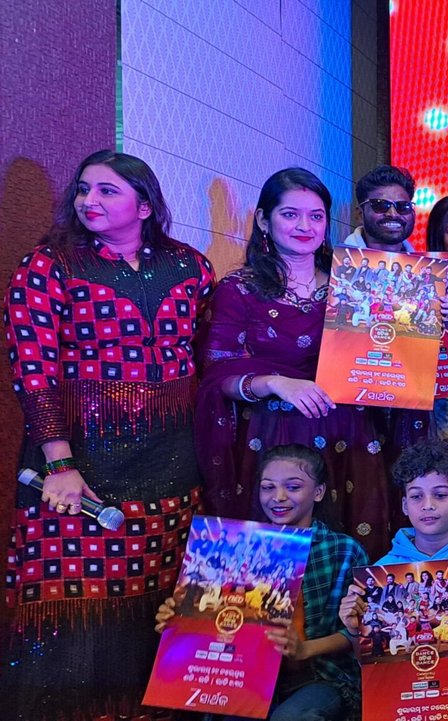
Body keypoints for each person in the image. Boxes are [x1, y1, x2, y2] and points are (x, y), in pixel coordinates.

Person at [2, 150, 215, 718]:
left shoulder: (192, 268)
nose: (88, 201)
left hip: (171, 463)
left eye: (106, 191)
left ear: (144, 206)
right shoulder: (48, 267)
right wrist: (59, 464)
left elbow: (205, 358)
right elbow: (33, 370)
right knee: (72, 602)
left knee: (161, 596)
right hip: (79, 466)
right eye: (83, 189)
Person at [196, 167, 393, 557]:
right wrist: (274, 383)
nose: (305, 226)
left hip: (349, 437)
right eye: (290, 214)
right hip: (273, 440)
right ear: (263, 220)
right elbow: (217, 374)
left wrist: (432, 317)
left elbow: (392, 355)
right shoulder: (238, 290)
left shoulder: (357, 285)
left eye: (316, 216)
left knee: (348, 555)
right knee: (269, 569)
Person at [157, 444, 367, 719]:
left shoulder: (343, 550)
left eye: (293, 487)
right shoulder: (234, 546)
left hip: (322, 675)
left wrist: (304, 649)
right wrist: (179, 622)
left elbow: (357, 631)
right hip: (243, 673)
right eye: (268, 487)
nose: (278, 497)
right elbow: (216, 620)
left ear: (318, 492)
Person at [338, 437, 448, 714]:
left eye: (440, 495)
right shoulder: (383, 571)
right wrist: (357, 630)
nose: (428, 505)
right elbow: (372, 666)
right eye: (417, 496)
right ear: (405, 505)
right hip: (405, 697)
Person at [342, 165, 417, 252]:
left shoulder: (424, 260)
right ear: (360, 215)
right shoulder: (333, 259)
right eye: (380, 205)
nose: (393, 214)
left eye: (403, 206)